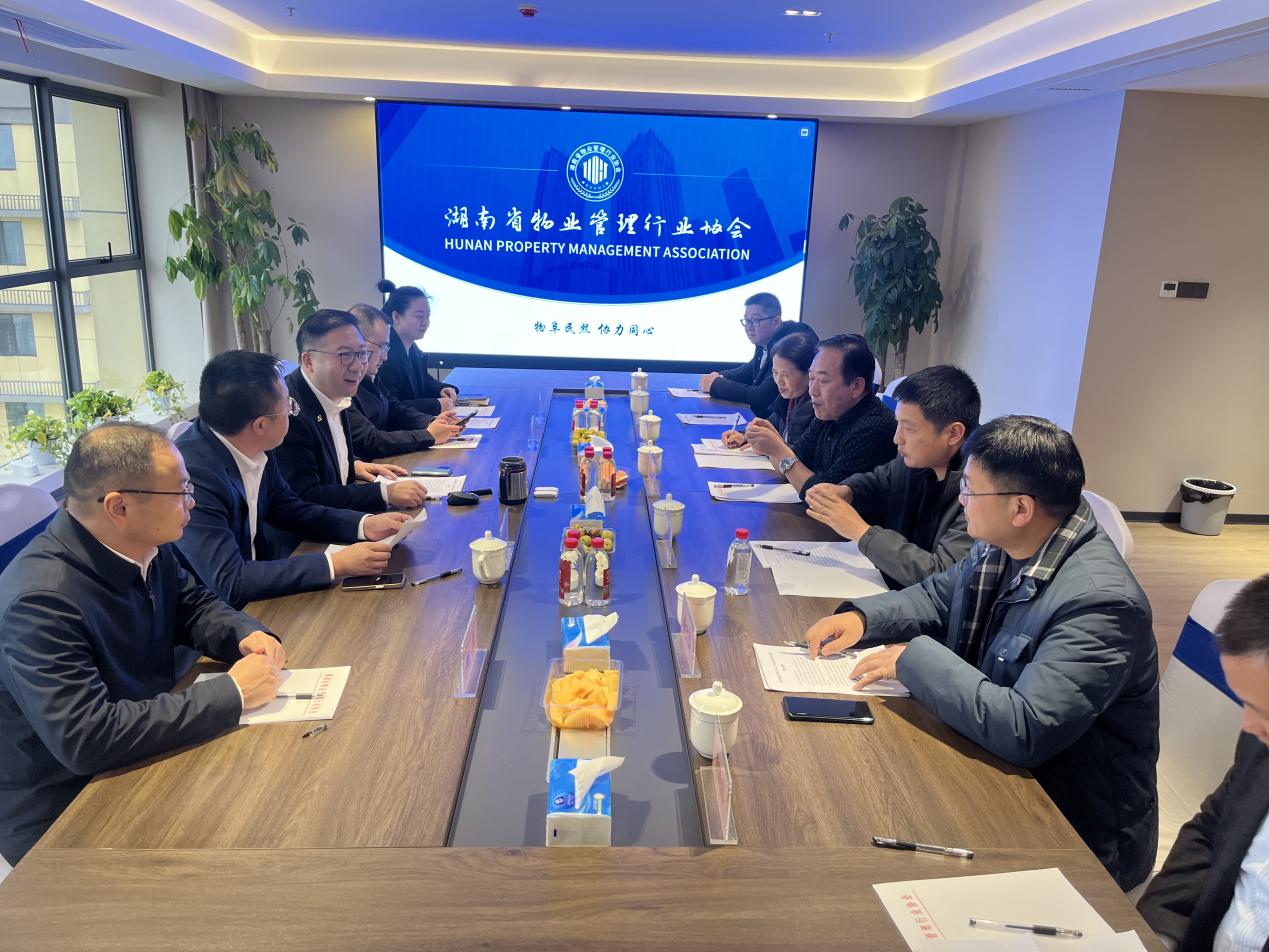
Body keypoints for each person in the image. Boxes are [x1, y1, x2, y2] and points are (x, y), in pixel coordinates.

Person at [803, 415, 1159, 890]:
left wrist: (913, 659)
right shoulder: (1004, 543)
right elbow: (937, 596)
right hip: (994, 768)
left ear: (1020, 508)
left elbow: (1026, 728)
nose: (962, 499)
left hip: (1074, 830)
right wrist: (863, 619)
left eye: (970, 489)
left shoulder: (1100, 604)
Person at [0, 423, 285, 865]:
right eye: (180, 491)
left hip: (144, 742)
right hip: (65, 808)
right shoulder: (41, 602)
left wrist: (244, 634)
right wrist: (232, 692)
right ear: (119, 506)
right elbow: (87, 738)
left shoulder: (141, 540)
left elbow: (192, 604)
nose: (191, 502)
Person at [176, 350, 412, 609]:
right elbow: (230, 580)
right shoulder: (192, 476)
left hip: (260, 596)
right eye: (288, 406)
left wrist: (363, 524)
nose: (292, 412)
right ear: (260, 425)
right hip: (214, 616)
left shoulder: (254, 443)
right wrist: (335, 563)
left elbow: (290, 509)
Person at [1138, 575, 1269, 952]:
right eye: (1246, 703)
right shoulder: (1260, 739)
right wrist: (1156, 934)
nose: (1248, 725)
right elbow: (1212, 828)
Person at [803, 365, 979, 589]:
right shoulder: (915, 461)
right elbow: (878, 481)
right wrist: (847, 491)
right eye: (898, 424)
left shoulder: (981, 491)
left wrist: (861, 531)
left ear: (953, 434)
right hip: (891, 590)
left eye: (909, 429)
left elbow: (942, 575)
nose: (897, 439)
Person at [276, 309, 428, 513]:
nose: (358, 367)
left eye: (362, 353)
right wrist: (382, 493)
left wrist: (352, 464)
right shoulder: (289, 412)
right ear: (309, 361)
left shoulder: (334, 391)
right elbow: (304, 496)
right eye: (345, 355)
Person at [744, 334, 896, 498]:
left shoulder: (874, 428)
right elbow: (790, 466)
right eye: (811, 378)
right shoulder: (829, 413)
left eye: (823, 381)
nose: (812, 390)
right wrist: (776, 444)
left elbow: (824, 499)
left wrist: (779, 450)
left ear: (856, 386)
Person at [347, 303, 463, 458]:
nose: (385, 356)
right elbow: (368, 441)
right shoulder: (345, 385)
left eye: (387, 348)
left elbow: (392, 408)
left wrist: (431, 422)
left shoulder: (371, 375)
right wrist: (429, 435)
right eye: (381, 347)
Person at [698, 293, 817, 416]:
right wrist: (719, 376)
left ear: (776, 321)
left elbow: (762, 397)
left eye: (755, 320)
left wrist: (716, 385)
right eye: (747, 321)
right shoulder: (766, 339)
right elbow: (749, 370)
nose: (749, 327)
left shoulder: (788, 345)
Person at [721, 331, 817, 449]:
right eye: (775, 373)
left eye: (785, 375)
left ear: (809, 373)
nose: (779, 381)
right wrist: (744, 436)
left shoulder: (818, 410)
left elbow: (802, 456)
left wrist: (774, 449)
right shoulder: (788, 398)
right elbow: (771, 426)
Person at [374, 280, 458, 415]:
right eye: (419, 316)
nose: (425, 322)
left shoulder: (412, 348)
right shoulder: (385, 355)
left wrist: (441, 389)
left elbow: (424, 380)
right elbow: (390, 406)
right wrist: (435, 405)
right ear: (396, 317)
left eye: (427, 316)